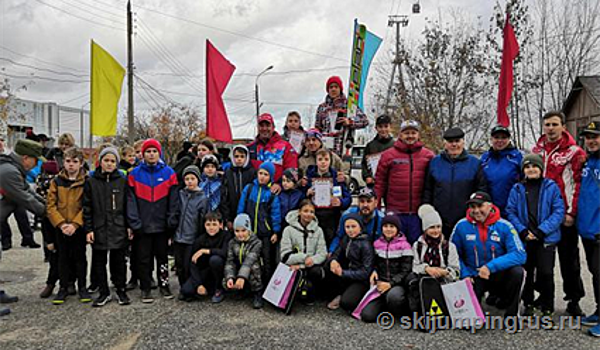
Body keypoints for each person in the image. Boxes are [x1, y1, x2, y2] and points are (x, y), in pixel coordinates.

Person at [532, 111, 587, 316]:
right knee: (541, 260)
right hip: (541, 217)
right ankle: (543, 295)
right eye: (547, 124)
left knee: (569, 260)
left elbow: (578, 183)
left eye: (555, 124)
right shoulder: (537, 150)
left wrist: (572, 213)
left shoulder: (575, 152)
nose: (551, 128)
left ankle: (574, 299)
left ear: (563, 126)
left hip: (564, 216)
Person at [506, 154, 564, 316]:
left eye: (534, 166)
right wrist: (523, 231)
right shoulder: (517, 189)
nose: (531, 169)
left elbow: (558, 211)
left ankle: (547, 306)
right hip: (525, 238)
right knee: (527, 272)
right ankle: (528, 302)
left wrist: (541, 231)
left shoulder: (551, 187)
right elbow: (510, 211)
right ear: (523, 170)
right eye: (527, 167)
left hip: (545, 238)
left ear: (541, 169)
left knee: (546, 272)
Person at [451, 192, 526, 317]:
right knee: (471, 320)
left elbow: (519, 254)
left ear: (490, 206)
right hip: (474, 275)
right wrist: (464, 274)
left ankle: (512, 314)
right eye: (473, 207)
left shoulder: (505, 226)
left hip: (497, 273)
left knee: (518, 272)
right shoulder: (461, 226)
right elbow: (452, 254)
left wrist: (490, 267)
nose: (476, 211)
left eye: (480, 206)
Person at [127, 139, 178, 303]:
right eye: (148, 151)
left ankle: (164, 285)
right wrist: (134, 223)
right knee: (143, 258)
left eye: (154, 151)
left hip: (162, 225)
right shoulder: (134, 174)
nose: (151, 154)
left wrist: (171, 220)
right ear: (142, 154)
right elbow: (130, 201)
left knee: (162, 258)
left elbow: (174, 200)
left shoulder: (169, 173)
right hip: (142, 226)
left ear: (159, 153)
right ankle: (145, 287)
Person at [0, 139, 46, 316]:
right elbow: (24, 199)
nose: (36, 164)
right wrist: (49, 214)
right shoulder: (9, 172)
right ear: (26, 158)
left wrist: (50, 206)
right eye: (35, 160)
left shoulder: (13, 170)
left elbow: (30, 192)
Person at [83, 147, 132, 307]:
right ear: (100, 162)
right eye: (106, 160)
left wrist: (129, 226)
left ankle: (120, 289)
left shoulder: (123, 180)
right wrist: (89, 229)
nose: (109, 164)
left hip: (118, 227)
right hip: (99, 228)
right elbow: (87, 207)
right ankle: (103, 292)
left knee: (118, 261)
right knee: (99, 262)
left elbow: (128, 205)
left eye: (113, 161)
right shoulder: (91, 181)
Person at [375, 120, 435, 243]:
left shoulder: (428, 155)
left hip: (419, 213)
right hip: (396, 211)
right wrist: (376, 205)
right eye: (406, 133)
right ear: (400, 135)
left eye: (413, 133)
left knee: (417, 246)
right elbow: (380, 182)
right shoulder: (388, 155)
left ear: (418, 135)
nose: (410, 136)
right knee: (394, 245)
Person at [423, 127, 488, 239]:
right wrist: (428, 212)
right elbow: (428, 190)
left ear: (463, 142)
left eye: (457, 141)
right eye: (450, 142)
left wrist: (476, 212)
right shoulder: (434, 163)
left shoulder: (475, 163)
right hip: (439, 220)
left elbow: (481, 189)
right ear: (445, 143)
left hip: (466, 218)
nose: (454, 145)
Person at [46, 147, 91, 305]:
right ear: (63, 162)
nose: (71, 165)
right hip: (61, 226)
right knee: (62, 258)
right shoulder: (56, 181)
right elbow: (50, 206)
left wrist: (76, 224)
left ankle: (83, 287)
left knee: (80, 258)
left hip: (78, 227)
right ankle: (63, 288)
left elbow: (87, 206)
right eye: (68, 161)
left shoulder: (86, 182)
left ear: (81, 163)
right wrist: (61, 224)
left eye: (75, 162)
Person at [407, 204, 460, 314]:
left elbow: (456, 271)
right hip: (425, 284)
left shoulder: (449, 246)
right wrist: (427, 269)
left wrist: (444, 272)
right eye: (431, 227)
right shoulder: (418, 246)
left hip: (444, 282)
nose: (435, 231)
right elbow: (415, 266)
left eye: (438, 227)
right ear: (425, 229)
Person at [360, 214, 413, 323]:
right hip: (380, 284)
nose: (388, 229)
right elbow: (374, 262)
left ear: (397, 229)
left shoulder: (405, 246)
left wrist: (390, 284)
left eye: (392, 226)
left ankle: (396, 310)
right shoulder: (376, 244)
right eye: (386, 226)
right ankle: (383, 305)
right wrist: (374, 271)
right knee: (367, 316)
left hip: (396, 284)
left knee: (394, 297)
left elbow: (406, 270)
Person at [237, 162, 281, 281]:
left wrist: (275, 232)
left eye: (265, 174)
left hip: (265, 232)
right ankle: (251, 286)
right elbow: (241, 206)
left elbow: (275, 214)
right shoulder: (249, 188)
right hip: (249, 231)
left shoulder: (271, 194)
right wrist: (240, 225)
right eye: (260, 173)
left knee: (266, 259)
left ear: (270, 177)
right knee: (249, 258)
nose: (262, 176)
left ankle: (267, 286)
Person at [576, 122, 600, 336]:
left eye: (596, 137)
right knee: (595, 272)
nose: (591, 141)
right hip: (588, 229)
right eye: (588, 137)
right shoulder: (588, 161)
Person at [280, 200, 327, 305]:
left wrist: (306, 263)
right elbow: (284, 256)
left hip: (309, 266)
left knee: (318, 272)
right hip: (293, 266)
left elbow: (322, 253)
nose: (308, 214)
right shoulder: (288, 230)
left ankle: (310, 293)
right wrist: (304, 258)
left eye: (311, 212)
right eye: (305, 211)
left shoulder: (318, 230)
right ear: (299, 212)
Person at [168, 165, 208, 288]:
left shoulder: (202, 198)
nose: (190, 181)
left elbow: (202, 219)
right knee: (178, 264)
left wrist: (200, 237)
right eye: (187, 179)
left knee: (188, 264)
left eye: (192, 178)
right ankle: (182, 286)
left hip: (191, 238)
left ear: (198, 180)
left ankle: (188, 286)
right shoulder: (180, 194)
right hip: (178, 236)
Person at [325, 213, 374, 312]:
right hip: (348, 273)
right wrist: (333, 261)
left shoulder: (366, 244)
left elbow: (365, 272)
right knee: (328, 266)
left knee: (347, 303)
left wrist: (343, 273)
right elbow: (336, 253)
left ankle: (360, 296)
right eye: (347, 227)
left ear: (360, 227)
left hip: (361, 280)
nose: (350, 230)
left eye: (353, 226)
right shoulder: (346, 239)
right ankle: (340, 293)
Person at [180, 211, 231, 303]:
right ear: (204, 225)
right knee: (186, 291)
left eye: (214, 224)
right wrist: (198, 284)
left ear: (221, 225)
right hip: (205, 271)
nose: (211, 227)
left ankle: (218, 288)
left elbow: (225, 252)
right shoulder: (200, 240)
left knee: (215, 260)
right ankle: (205, 288)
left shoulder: (226, 236)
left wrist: (205, 251)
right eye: (208, 224)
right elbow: (193, 263)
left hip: (220, 270)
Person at [304, 149, 351, 248]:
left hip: (332, 217)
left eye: (326, 159)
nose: (323, 162)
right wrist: (306, 193)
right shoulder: (310, 177)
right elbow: (299, 196)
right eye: (320, 159)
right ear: (316, 161)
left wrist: (340, 202)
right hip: (314, 216)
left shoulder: (337, 177)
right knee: (313, 243)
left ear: (330, 161)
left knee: (330, 242)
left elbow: (348, 198)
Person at [314, 76, 368, 157]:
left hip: (343, 151)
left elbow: (364, 121)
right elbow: (317, 129)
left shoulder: (349, 106)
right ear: (328, 90)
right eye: (331, 87)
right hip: (325, 152)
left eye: (336, 87)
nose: (333, 89)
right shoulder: (322, 108)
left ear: (340, 89)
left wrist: (350, 122)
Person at [247, 113, 298, 190]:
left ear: (273, 127)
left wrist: (280, 185)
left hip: (277, 193)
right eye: (261, 126)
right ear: (258, 127)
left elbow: (292, 170)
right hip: (255, 192)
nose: (264, 128)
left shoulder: (285, 146)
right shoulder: (250, 148)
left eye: (267, 125)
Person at [480, 125, 523, 216]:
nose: (500, 141)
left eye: (503, 137)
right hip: (490, 210)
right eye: (496, 137)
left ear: (509, 139)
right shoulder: (485, 158)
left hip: (512, 209)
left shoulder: (517, 157)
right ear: (491, 139)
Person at [224, 213, 264, 309]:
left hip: (251, 270)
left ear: (249, 230)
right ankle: (241, 290)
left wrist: (241, 277)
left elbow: (249, 261)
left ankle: (257, 292)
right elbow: (230, 261)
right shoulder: (232, 242)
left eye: (243, 230)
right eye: (237, 231)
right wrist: (230, 277)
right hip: (239, 269)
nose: (240, 234)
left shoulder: (257, 242)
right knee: (227, 276)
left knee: (254, 266)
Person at [330, 187, 384, 254]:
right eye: (362, 201)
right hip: (351, 252)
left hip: (373, 253)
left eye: (369, 201)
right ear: (358, 202)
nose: (365, 205)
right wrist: (332, 252)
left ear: (376, 203)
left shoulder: (382, 219)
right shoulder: (347, 216)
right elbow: (339, 236)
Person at [220, 145, 256, 230]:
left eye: (242, 156)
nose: (239, 159)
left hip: (249, 213)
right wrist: (227, 218)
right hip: (231, 212)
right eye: (236, 156)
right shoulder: (228, 173)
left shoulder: (252, 172)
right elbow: (224, 196)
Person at [361, 115, 394, 186]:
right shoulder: (370, 145)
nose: (383, 129)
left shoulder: (396, 145)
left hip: (392, 183)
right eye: (380, 127)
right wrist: (367, 176)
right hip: (375, 184)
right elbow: (364, 164)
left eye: (386, 126)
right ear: (376, 128)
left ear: (390, 127)